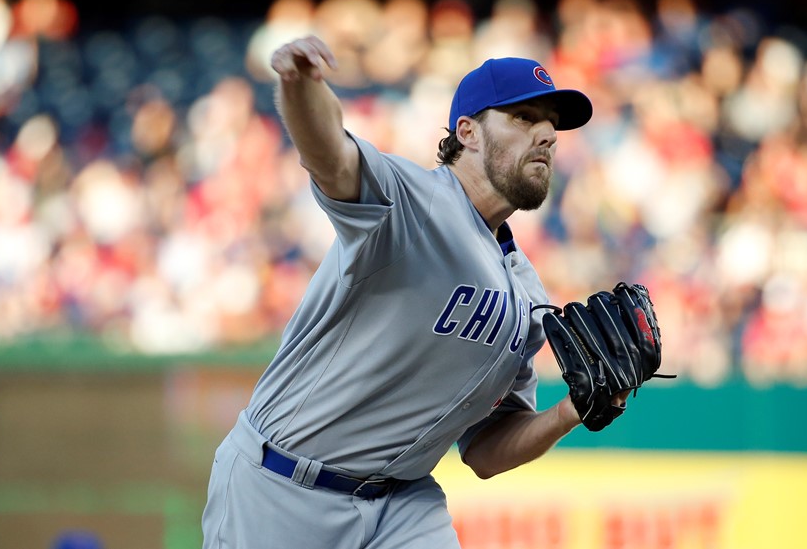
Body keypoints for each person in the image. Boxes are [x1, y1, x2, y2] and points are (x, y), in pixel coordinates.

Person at [201, 35, 620, 549]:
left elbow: (484, 451)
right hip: (284, 486)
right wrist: (300, 86)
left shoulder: (528, 294)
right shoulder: (410, 202)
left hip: (404, 503)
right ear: (467, 131)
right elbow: (330, 156)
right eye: (523, 117)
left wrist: (570, 411)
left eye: (551, 124)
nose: (547, 135)